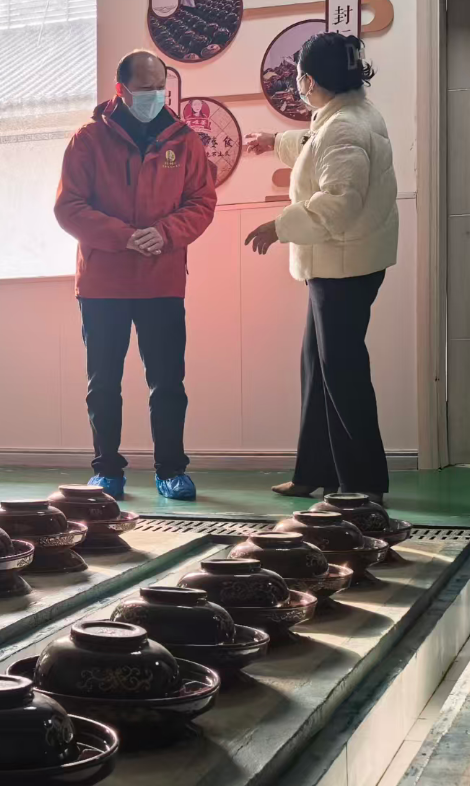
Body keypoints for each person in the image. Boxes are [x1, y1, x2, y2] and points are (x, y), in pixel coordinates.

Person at [55, 50, 217, 501]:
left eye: (160, 86)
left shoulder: (184, 141)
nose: (155, 95)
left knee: (167, 382)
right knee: (103, 383)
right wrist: (125, 237)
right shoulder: (87, 140)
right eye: (145, 88)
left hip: (161, 280)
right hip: (102, 283)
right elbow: (68, 207)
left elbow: (202, 202)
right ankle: (107, 470)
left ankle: (171, 470)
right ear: (121, 89)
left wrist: (163, 233)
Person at [244, 33, 398, 504]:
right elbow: (316, 145)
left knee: (343, 373)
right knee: (318, 369)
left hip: (343, 268)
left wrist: (279, 226)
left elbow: (339, 201)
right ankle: (315, 471)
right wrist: (275, 142)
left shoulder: (344, 127)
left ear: (309, 80)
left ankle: (363, 485)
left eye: (299, 77)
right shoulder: (351, 114)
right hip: (342, 263)